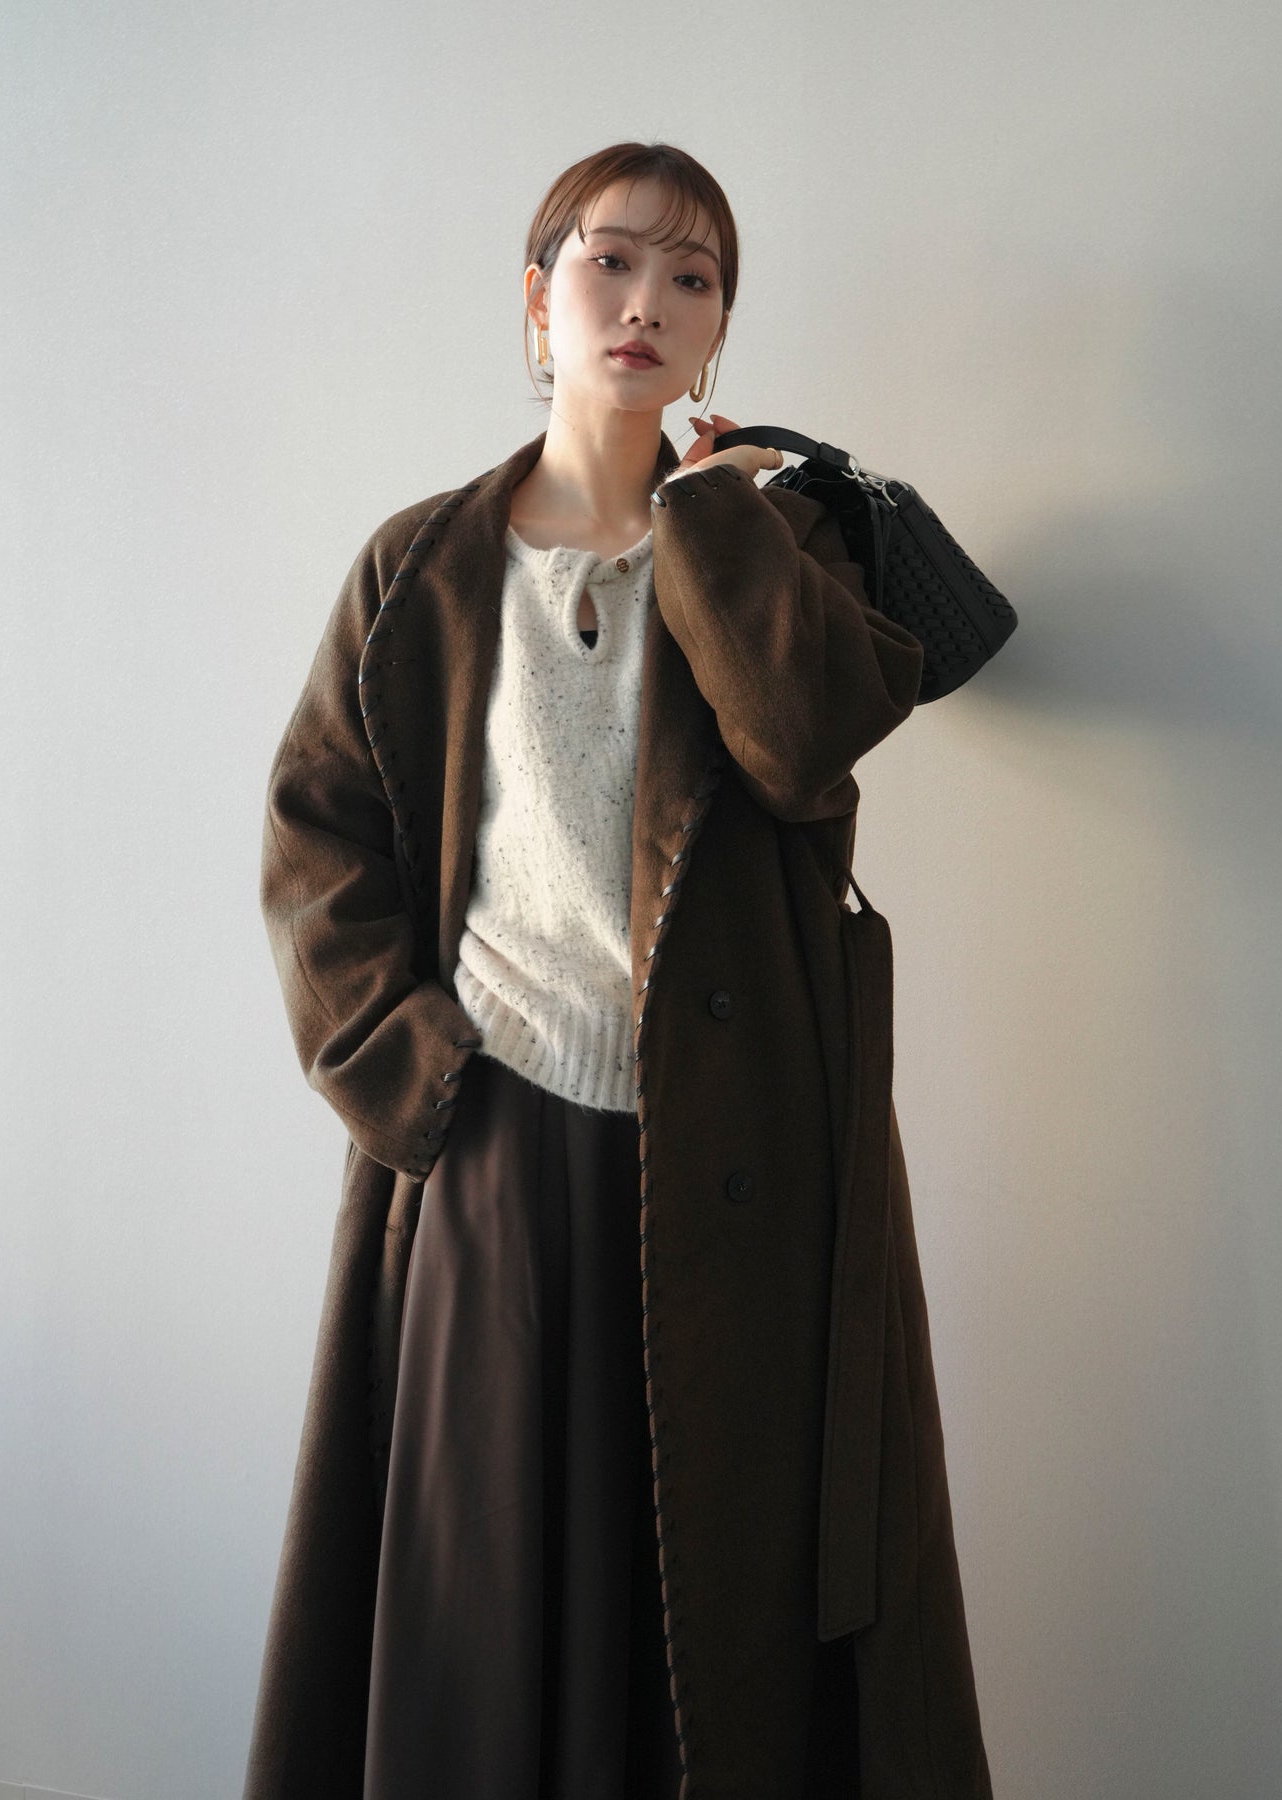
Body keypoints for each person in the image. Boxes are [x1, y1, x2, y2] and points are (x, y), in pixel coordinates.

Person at [245, 141, 994, 1800]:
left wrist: (710, 522)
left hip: (737, 1156)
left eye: (692, 276)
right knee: (482, 1584)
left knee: (715, 1608)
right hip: (490, 1142)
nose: (647, 300)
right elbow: (317, 839)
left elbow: (799, 749)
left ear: (719, 330)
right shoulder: (419, 567)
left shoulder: (776, 545)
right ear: (539, 299)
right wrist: (413, 1073)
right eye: (611, 260)